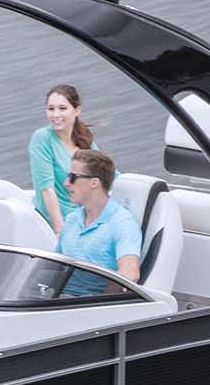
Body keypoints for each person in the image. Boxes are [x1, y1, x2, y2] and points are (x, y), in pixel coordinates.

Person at [54, 149, 142, 296]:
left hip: (85, 307)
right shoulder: (72, 219)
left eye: (73, 177)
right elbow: (54, 267)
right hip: (55, 299)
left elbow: (130, 273)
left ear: (94, 182)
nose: (66, 183)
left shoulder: (122, 224)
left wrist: (101, 304)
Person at [27, 85, 101, 231]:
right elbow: (47, 190)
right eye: (51, 109)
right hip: (58, 222)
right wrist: (60, 231)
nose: (55, 115)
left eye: (62, 108)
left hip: (85, 216)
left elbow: (109, 175)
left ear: (77, 111)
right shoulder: (42, 138)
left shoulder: (84, 139)